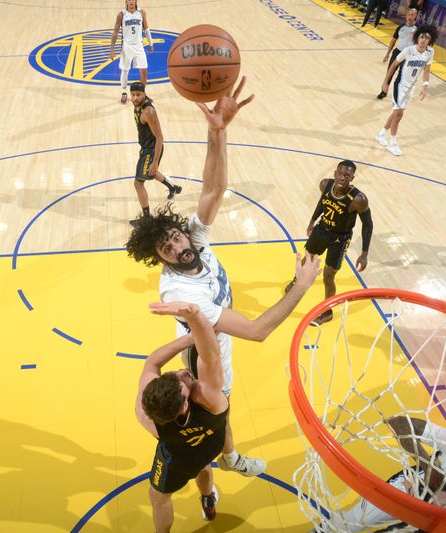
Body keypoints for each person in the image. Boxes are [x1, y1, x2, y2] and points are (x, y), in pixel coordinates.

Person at [126, 77, 323, 477]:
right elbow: (255, 331)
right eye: (165, 249)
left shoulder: (192, 241)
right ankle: (227, 460)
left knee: (216, 413)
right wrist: (300, 287)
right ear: (161, 258)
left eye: (175, 237)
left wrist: (218, 132)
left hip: (213, 336)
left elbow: (214, 189)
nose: (176, 247)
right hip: (208, 354)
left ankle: (218, 463)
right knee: (218, 409)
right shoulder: (180, 287)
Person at [318, 416, 446, 532]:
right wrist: (428, 466)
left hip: (438, 521)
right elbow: (399, 423)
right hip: (407, 490)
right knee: (348, 522)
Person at [136, 301, 228, 530]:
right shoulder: (210, 400)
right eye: (184, 380)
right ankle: (208, 499)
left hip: (178, 459)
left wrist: (189, 338)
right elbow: (210, 357)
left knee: (158, 497)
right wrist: (195, 328)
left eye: (175, 375)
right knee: (204, 466)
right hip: (212, 443)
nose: (183, 372)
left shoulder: (145, 415)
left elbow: (152, 363)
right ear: (185, 405)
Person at [285, 160, 372, 325]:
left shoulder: (358, 200)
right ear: (335, 173)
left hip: (340, 239)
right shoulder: (326, 184)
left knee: (328, 276)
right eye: (340, 173)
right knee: (307, 259)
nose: (343, 178)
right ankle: (297, 282)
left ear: (352, 178)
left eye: (347, 175)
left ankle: (327, 312)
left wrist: (364, 253)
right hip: (322, 229)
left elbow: (368, 224)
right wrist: (312, 221)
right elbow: (322, 202)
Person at [375, 24, 437, 156]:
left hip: (411, 87)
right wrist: (385, 82)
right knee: (399, 114)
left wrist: (425, 85)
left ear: (429, 41)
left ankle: (381, 133)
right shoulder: (409, 50)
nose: (423, 40)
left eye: (426, 38)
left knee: (397, 112)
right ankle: (392, 143)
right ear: (417, 38)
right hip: (400, 85)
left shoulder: (430, 52)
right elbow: (394, 65)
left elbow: (427, 70)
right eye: (421, 37)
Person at [128, 81, 181, 224]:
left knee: (138, 183)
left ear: (144, 94)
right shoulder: (138, 105)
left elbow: (160, 138)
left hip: (151, 149)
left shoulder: (148, 112)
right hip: (146, 147)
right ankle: (173, 188)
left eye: (138, 94)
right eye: (132, 94)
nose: (134, 98)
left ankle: (146, 219)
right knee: (150, 171)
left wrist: (155, 161)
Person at [110, 0, 153, 105]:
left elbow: (146, 29)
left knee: (144, 71)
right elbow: (115, 32)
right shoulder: (121, 14)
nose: (131, 1)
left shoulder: (141, 12)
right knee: (125, 70)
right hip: (127, 46)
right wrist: (112, 48)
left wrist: (150, 43)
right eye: (129, 0)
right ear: (126, 1)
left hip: (139, 45)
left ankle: (142, 94)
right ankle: (124, 91)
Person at [377, 8, 418, 99]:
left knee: (401, 76)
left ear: (416, 16)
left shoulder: (418, 29)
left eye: (412, 15)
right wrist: (387, 54)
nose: (410, 16)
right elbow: (393, 40)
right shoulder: (401, 27)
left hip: (408, 55)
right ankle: (384, 91)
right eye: (409, 14)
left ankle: (398, 95)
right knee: (389, 73)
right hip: (397, 52)